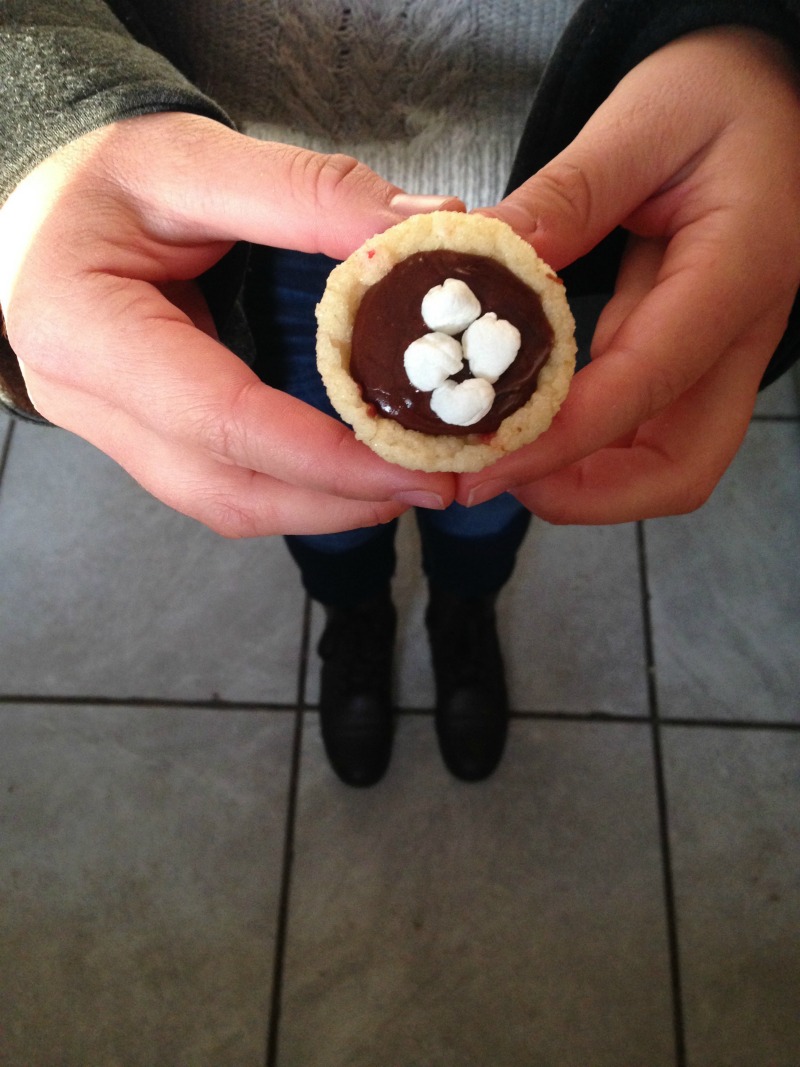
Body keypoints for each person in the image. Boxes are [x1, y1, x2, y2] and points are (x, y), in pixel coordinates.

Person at [2, 1, 800, 787]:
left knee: (495, 492)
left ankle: (464, 610)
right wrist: (39, 112)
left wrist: (757, 34)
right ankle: (355, 619)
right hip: (226, 205)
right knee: (314, 488)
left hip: (596, 167)